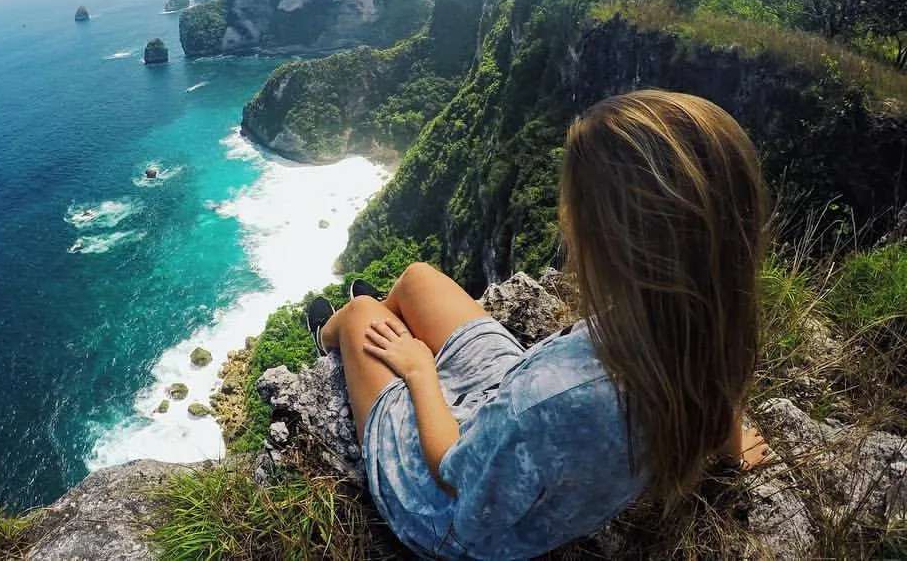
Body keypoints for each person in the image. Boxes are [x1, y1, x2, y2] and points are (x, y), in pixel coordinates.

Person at [307, 90, 772, 559]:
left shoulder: (552, 400)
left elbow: (453, 472)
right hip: (516, 414)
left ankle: (332, 337)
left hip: (450, 513)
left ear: (605, 245)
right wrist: (731, 447)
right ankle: (351, 328)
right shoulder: (709, 319)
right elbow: (718, 383)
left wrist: (420, 372)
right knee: (418, 280)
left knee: (364, 318)